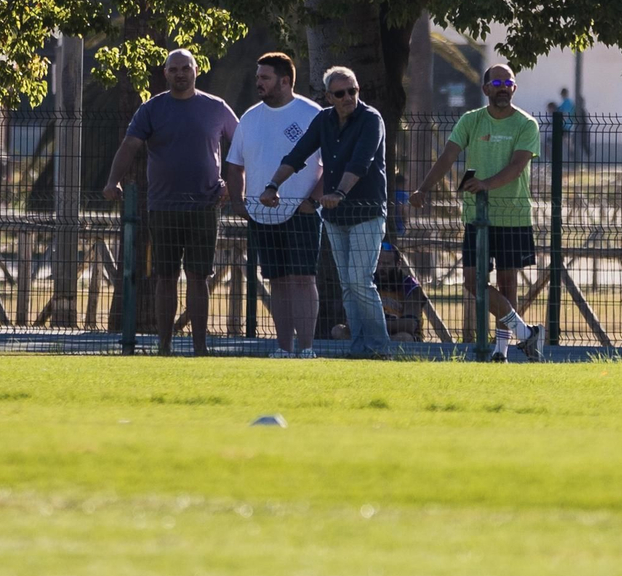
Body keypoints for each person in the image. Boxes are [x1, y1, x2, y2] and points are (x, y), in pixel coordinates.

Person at [102, 48, 239, 357]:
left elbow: (243, 145)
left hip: (205, 205)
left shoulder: (216, 108)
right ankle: (164, 345)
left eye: (185, 68)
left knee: (198, 275)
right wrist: (113, 181)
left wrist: (233, 184)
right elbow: (130, 145)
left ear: (196, 71)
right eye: (174, 69)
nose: (180, 74)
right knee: (165, 276)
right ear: (165, 73)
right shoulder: (151, 109)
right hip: (163, 205)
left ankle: (200, 346)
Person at [413, 64, 544, 362]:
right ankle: (526, 334)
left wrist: (485, 184)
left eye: (508, 82)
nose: (503, 87)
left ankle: (501, 352)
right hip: (476, 217)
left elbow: (517, 166)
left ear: (514, 88)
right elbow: (448, 156)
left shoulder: (526, 124)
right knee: (472, 281)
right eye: (497, 82)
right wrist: (423, 189)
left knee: (507, 283)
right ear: (485, 89)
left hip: (512, 215)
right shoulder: (471, 121)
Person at [260, 66, 390, 359]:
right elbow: (297, 154)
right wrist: (272, 185)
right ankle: (360, 349)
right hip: (334, 217)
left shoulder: (371, 120)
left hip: (366, 212)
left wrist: (340, 193)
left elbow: (361, 162)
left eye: (353, 91)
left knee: (360, 281)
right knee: (348, 285)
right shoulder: (324, 120)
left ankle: (380, 348)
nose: (348, 98)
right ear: (329, 96)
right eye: (341, 93)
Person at [224, 52, 324, 358]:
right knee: (277, 280)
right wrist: (239, 201)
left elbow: (331, 164)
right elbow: (234, 165)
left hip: (301, 212)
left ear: (285, 80)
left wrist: (312, 201)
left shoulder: (312, 114)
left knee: (303, 279)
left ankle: (306, 348)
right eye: (257, 77)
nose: (258, 83)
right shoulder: (250, 117)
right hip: (261, 214)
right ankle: (283, 347)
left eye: (264, 78)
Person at [556, 87, 576, 157]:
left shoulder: (567, 102)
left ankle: (573, 154)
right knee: (566, 141)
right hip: (566, 125)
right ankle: (571, 154)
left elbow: (565, 113)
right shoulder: (565, 102)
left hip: (567, 125)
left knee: (568, 141)